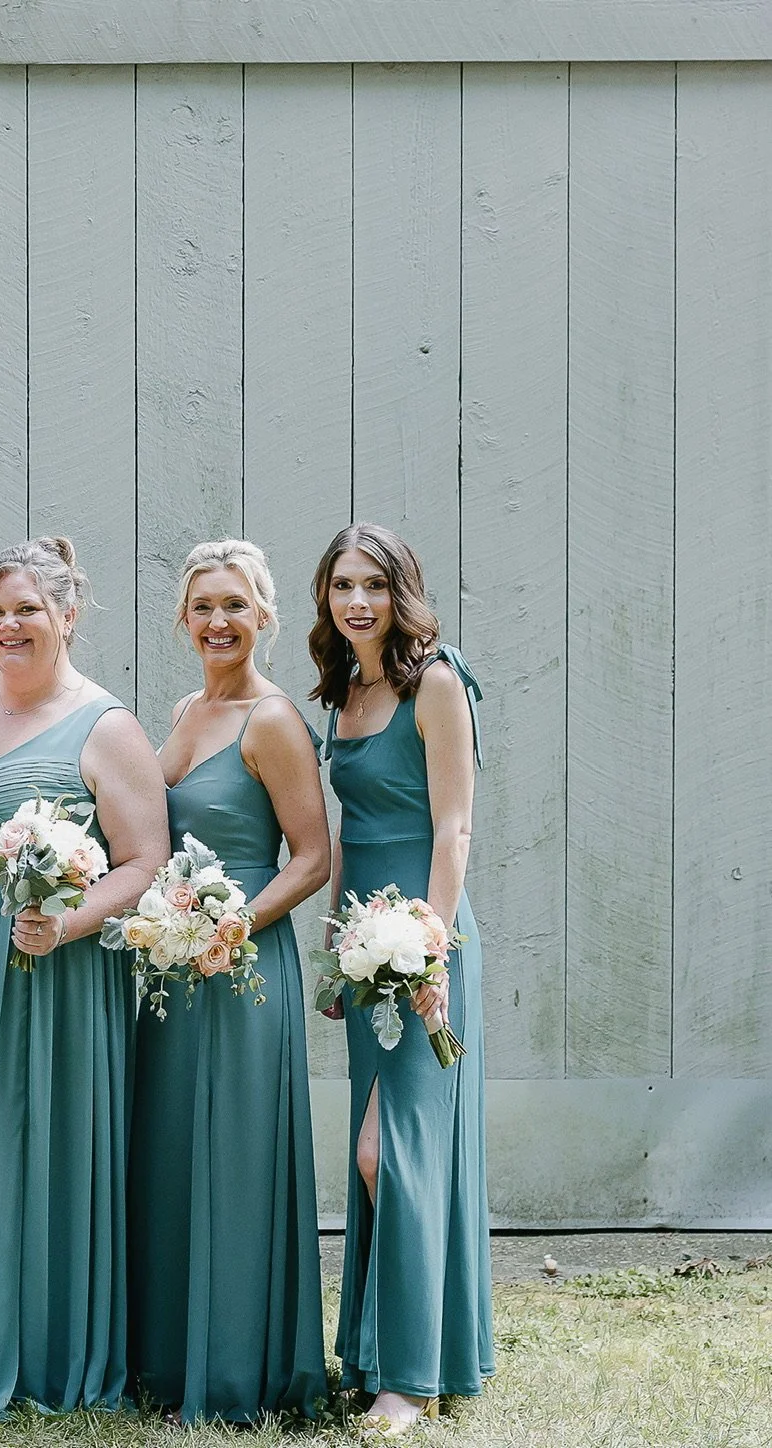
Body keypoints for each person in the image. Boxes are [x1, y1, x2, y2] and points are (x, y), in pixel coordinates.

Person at [0, 536, 169, 1417]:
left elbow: (143, 861)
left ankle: (41, 1347)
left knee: (24, 1139)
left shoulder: (107, 727)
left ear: (69, 615)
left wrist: (70, 920)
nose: (8, 626)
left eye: (27, 609)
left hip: (43, 968)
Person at [126, 539, 329, 1424]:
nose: (219, 622)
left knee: (237, 1157)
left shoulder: (273, 719)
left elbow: (314, 858)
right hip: (175, 965)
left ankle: (239, 1369)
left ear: (265, 618)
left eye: (236, 606)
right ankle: (170, 1362)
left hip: (243, 966)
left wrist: (234, 924)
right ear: (183, 619)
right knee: (173, 1151)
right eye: (203, 606)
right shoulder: (181, 712)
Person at [311, 523, 491, 1435]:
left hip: (424, 942)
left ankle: (410, 1379)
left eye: (374, 585)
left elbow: (452, 827)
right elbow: (350, 833)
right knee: (372, 1155)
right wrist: (337, 944)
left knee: (396, 1154)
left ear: (401, 592)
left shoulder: (437, 683)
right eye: (343, 585)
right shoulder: (346, 693)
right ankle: (386, 1351)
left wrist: (434, 950)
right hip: (364, 951)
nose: (357, 601)